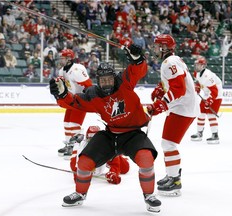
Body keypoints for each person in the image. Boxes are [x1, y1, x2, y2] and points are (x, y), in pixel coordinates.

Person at [49, 44, 162, 213]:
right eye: (103, 81)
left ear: (114, 78)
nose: (107, 83)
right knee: (85, 161)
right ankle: (80, 194)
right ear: (98, 81)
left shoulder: (124, 82)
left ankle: (149, 196)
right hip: (110, 135)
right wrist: (62, 95)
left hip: (133, 134)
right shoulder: (94, 94)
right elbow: (74, 102)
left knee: (146, 158)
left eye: (110, 79)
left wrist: (138, 59)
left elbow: (137, 70)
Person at [149, 34, 200, 197]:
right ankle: (172, 175)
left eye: (157, 46)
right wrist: (161, 87)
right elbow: (174, 82)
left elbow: (178, 88)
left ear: (164, 47)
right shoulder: (173, 60)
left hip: (183, 108)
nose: (154, 49)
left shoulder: (169, 62)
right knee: (167, 143)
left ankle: (175, 180)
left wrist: (161, 103)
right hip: (183, 107)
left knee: (168, 144)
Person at [56, 49, 93, 159]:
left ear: (69, 59)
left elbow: (88, 85)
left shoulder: (77, 69)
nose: (61, 60)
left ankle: (75, 146)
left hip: (81, 100)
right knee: (67, 123)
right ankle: (69, 144)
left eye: (63, 58)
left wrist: (88, 100)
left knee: (73, 124)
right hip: (71, 100)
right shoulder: (61, 71)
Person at [191, 57, 223, 144]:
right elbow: (198, 82)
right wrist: (197, 87)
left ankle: (215, 135)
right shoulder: (197, 73)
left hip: (216, 95)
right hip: (207, 93)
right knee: (200, 113)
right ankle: (199, 133)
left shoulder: (208, 75)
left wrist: (210, 100)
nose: (196, 66)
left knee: (210, 114)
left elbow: (215, 91)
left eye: (198, 65)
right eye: (196, 64)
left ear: (203, 66)